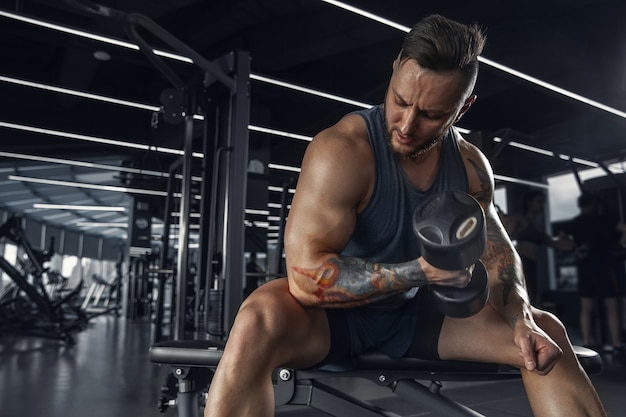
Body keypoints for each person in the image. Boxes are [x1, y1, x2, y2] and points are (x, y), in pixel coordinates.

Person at [205, 15, 606, 417]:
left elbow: (498, 256)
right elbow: (307, 280)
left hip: (421, 319)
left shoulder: (469, 166)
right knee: (258, 316)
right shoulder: (343, 151)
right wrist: (419, 272)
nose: (408, 125)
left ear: (463, 108)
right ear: (396, 68)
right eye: (400, 101)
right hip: (332, 320)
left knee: (543, 333)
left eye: (431, 114)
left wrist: (520, 317)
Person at [559, 193, 624, 353]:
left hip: (585, 266)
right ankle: (616, 344)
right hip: (602, 265)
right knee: (611, 305)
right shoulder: (603, 219)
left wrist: (575, 248)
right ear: (592, 205)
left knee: (586, 305)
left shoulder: (575, 222)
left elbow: (561, 238)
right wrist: (619, 245)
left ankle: (587, 341)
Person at [504, 190, 573, 305]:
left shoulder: (539, 227)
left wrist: (575, 246)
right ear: (529, 203)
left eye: (543, 202)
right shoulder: (519, 219)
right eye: (539, 202)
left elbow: (553, 243)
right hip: (520, 263)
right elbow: (504, 238)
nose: (542, 205)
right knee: (522, 297)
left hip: (532, 265)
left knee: (532, 297)